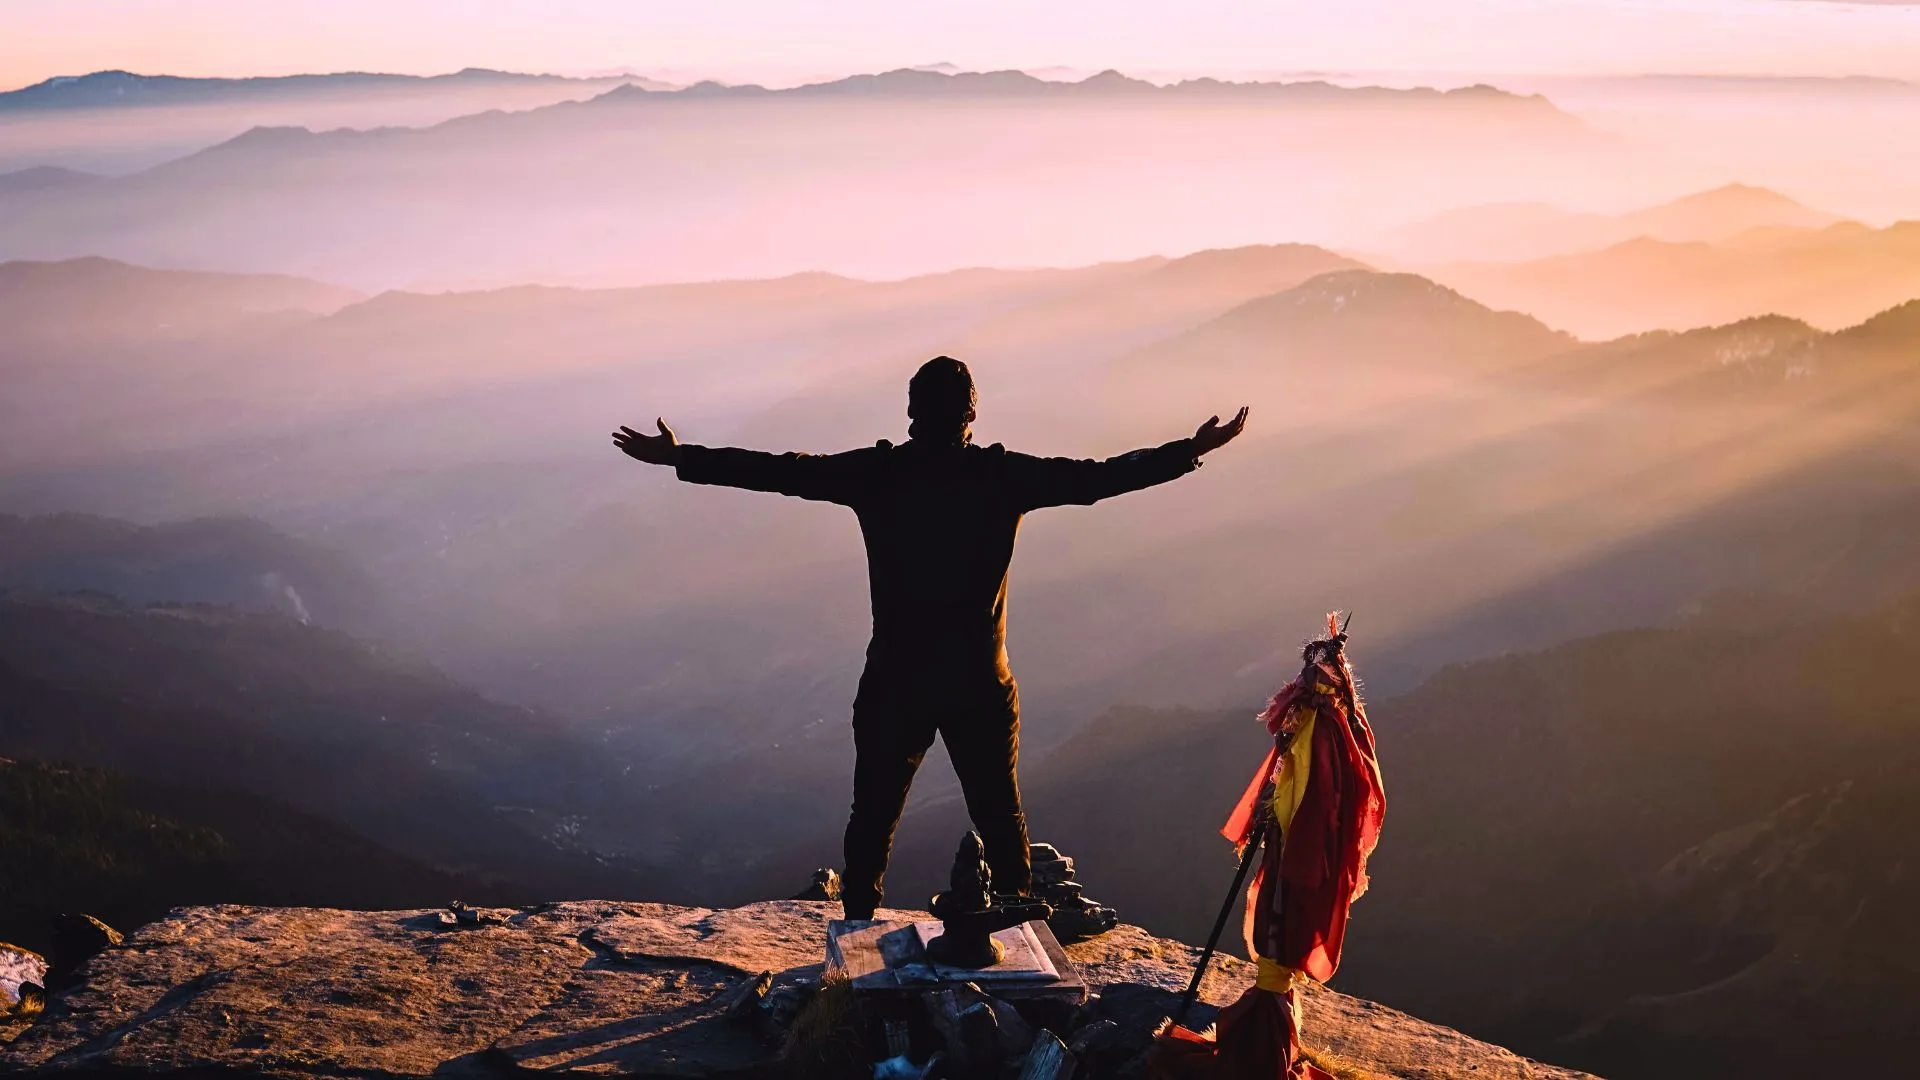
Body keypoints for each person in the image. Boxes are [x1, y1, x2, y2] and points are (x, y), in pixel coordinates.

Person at [614, 356, 1248, 920]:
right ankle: (1019, 934)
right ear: (972, 413)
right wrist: (1189, 450)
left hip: (897, 678)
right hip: (980, 679)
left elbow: (782, 471)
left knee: (874, 815)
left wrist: (681, 456)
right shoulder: (1004, 478)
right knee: (1000, 816)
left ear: (912, 411)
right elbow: (1096, 478)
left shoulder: (878, 474)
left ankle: (858, 928)